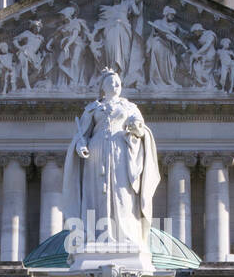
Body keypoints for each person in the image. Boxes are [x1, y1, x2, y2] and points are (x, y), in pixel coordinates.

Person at [62, 69, 160, 254]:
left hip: (122, 154)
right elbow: (81, 135)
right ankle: (96, 236)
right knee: (96, 193)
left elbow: (141, 131)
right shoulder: (92, 108)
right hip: (96, 155)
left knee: (123, 193)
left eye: (117, 82)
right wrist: (80, 147)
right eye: (111, 82)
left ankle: (125, 236)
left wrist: (137, 130)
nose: (115, 85)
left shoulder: (130, 108)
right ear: (102, 87)